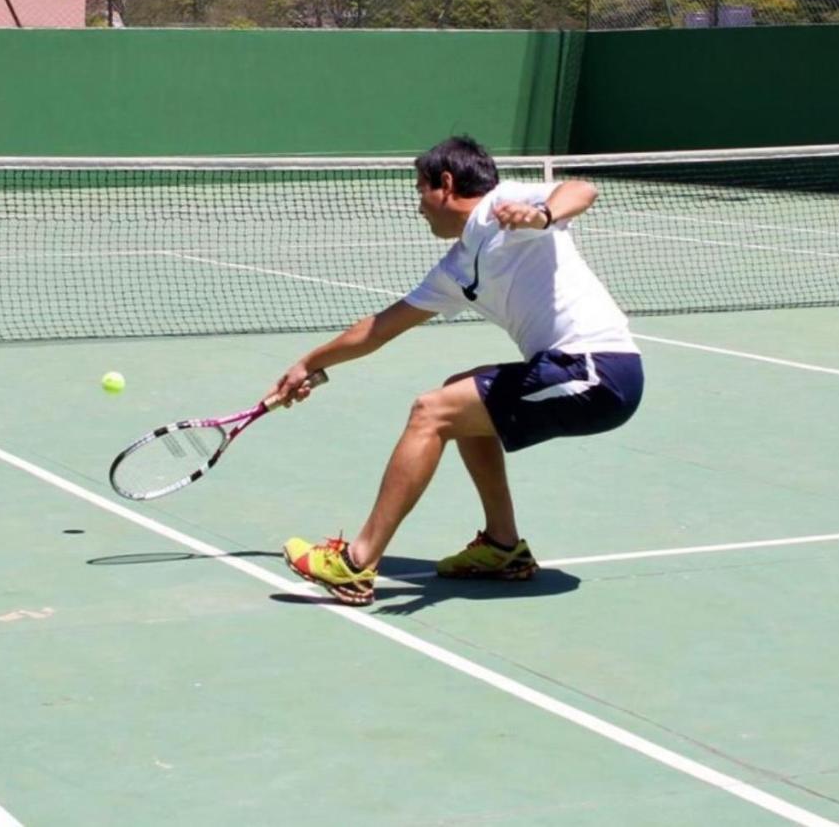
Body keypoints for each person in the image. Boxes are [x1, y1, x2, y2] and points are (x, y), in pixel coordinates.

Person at [276, 136, 644, 606]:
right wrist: (309, 364)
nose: (418, 206)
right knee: (459, 395)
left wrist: (541, 216)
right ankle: (502, 547)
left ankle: (355, 563)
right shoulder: (458, 266)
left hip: (597, 372)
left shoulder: (503, 205)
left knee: (430, 412)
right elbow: (377, 329)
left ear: (445, 185)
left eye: (420, 190)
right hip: (567, 369)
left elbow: (581, 189)